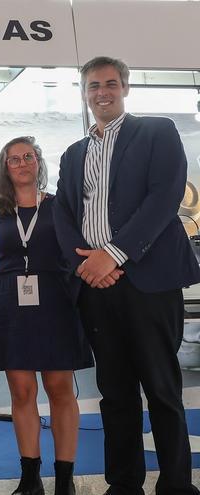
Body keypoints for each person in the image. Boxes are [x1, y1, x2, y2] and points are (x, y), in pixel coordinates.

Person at [54, 56, 200, 495]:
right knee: (114, 393)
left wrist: (113, 255)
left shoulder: (157, 132)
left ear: (126, 88)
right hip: (96, 288)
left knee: (161, 388)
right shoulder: (73, 153)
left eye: (111, 84)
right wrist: (86, 265)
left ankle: (176, 485)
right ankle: (123, 484)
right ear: (84, 93)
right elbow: (62, 213)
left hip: (148, 282)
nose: (103, 92)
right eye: (94, 85)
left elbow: (164, 197)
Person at [0, 136, 93, 495]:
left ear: (39, 162)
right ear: (5, 167)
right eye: (13, 159)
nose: (22, 163)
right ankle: (30, 479)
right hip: (10, 305)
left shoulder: (59, 206)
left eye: (28, 156)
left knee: (60, 389)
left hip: (54, 305)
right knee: (22, 391)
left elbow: (73, 253)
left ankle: (64, 479)